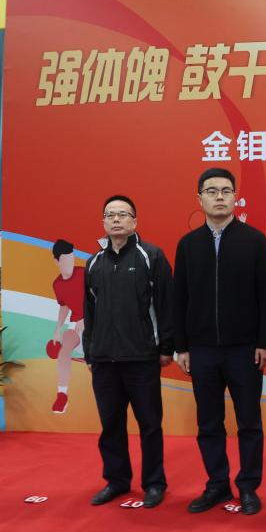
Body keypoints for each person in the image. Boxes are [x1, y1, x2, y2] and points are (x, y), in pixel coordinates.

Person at [173, 168, 266, 516]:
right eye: (212, 191)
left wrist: (265, 342)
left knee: (249, 422)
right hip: (202, 350)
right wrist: (182, 346)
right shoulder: (188, 245)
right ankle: (217, 484)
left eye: (226, 191)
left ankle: (248, 486)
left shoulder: (254, 241)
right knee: (208, 423)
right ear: (199, 198)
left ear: (235, 197)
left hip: (245, 350)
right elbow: (179, 298)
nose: (219, 197)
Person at [82, 196, 173, 508]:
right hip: (104, 360)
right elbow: (89, 312)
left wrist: (166, 347)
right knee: (111, 426)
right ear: (103, 222)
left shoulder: (151, 256)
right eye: (110, 215)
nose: (116, 220)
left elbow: (166, 304)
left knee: (150, 425)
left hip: (142, 358)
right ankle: (117, 481)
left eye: (123, 214)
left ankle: (154, 483)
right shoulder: (93, 262)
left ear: (135, 221)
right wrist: (90, 352)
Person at [50, 239, 84, 413]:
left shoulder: (85, 274)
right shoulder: (57, 284)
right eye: (65, 259)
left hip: (98, 322)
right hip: (76, 324)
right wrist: (57, 329)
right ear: (56, 261)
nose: (70, 263)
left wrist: (87, 318)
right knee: (65, 346)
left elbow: (103, 298)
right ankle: (62, 395)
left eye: (72, 258)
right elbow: (64, 306)